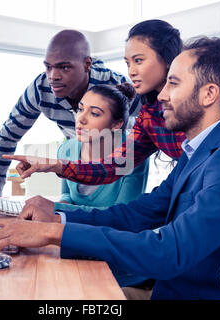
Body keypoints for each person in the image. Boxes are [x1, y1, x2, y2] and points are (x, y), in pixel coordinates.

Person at [0, 37, 220, 300]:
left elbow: (170, 250)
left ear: (209, 94)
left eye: (174, 84)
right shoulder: (197, 152)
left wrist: (53, 232)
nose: (161, 95)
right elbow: (134, 215)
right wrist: (57, 217)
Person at [2, 20, 220, 222]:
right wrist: (52, 166)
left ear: (169, 59)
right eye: (127, 62)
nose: (131, 71)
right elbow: (113, 166)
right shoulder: (148, 116)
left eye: (139, 60)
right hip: (203, 209)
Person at [0, 29, 141, 207]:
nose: (53, 76)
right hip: (77, 163)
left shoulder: (115, 86)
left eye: (64, 67)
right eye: (48, 67)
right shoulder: (41, 89)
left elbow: (153, 128)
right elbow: (9, 135)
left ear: (87, 64)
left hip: (118, 170)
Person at [24, 83, 150, 288]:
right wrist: (54, 208)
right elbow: (67, 196)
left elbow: (121, 219)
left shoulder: (132, 157)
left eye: (95, 113)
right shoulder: (66, 149)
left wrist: (54, 209)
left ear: (116, 124)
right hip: (78, 249)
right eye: (80, 108)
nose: (80, 119)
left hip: (118, 265)